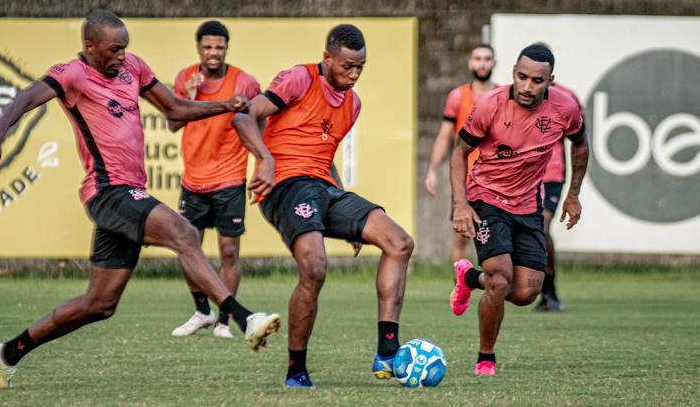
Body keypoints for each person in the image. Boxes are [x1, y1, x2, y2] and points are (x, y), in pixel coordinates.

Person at [0, 10, 280, 389]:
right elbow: (25, 97)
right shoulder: (71, 74)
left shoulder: (132, 67)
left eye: (125, 48)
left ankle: (7, 353)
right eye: (115, 49)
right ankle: (243, 317)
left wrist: (224, 105)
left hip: (128, 192)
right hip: (108, 192)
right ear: (90, 46)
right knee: (184, 233)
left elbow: (174, 109)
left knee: (99, 304)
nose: (122, 55)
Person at [231, 24, 415, 388]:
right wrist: (264, 158)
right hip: (285, 185)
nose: (354, 74)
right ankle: (296, 370)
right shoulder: (299, 78)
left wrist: (347, 212)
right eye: (347, 65)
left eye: (360, 66)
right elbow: (243, 115)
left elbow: (324, 154)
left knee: (400, 242)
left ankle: (387, 353)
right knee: (315, 268)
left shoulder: (353, 102)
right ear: (328, 56)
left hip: (324, 189)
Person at [448, 43, 588, 376]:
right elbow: (459, 153)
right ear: (512, 72)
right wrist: (461, 203)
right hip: (486, 198)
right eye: (522, 77)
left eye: (537, 80)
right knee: (499, 278)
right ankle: (485, 358)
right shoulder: (490, 105)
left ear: (550, 80)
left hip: (528, 205)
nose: (527, 86)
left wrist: (573, 194)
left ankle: (468, 277)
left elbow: (581, 144)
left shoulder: (564, 108)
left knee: (526, 292)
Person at [167, 20, 261, 339]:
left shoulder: (244, 82)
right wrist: (189, 98)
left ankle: (223, 320)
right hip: (193, 180)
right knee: (186, 248)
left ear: (226, 49)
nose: (213, 52)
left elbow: (257, 121)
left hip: (229, 179)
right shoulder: (185, 79)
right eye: (207, 47)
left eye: (219, 47)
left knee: (229, 252)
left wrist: (263, 162)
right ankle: (202, 311)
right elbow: (172, 124)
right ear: (198, 48)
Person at [424, 44, 497, 264]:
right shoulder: (457, 96)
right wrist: (432, 170)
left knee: (496, 239)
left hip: (496, 179)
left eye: (486, 58)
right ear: (470, 63)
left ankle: (494, 289)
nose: (482, 63)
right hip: (465, 178)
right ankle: (461, 292)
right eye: (477, 58)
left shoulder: (503, 96)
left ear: (494, 63)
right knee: (461, 237)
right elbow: (444, 136)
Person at [535, 81, 583, 312]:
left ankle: (549, 289)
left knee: (542, 227)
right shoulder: (514, 97)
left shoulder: (566, 97)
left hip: (552, 174)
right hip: (523, 176)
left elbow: (579, 137)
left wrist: (574, 191)